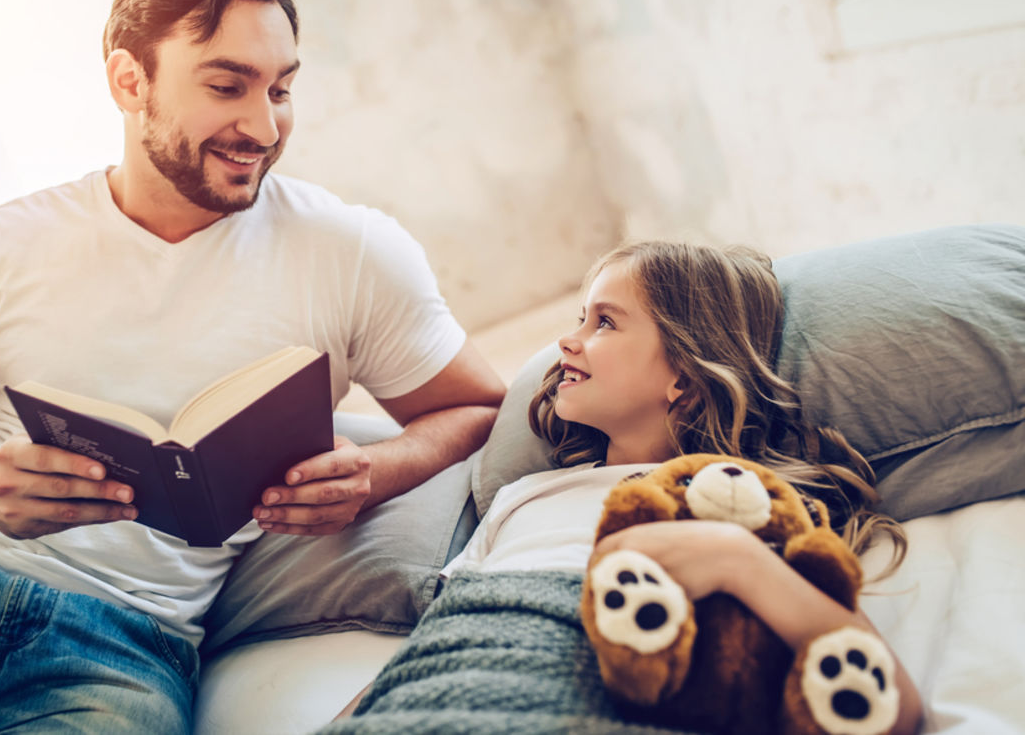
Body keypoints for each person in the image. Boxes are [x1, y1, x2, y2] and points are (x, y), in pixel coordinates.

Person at [0, 0, 505, 733]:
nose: (263, 126)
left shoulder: (352, 252)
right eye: (227, 85)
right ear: (131, 80)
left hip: (125, 647)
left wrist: (376, 469)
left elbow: (478, 406)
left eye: (283, 88)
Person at [324, 241, 922, 735]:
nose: (568, 341)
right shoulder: (526, 496)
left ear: (684, 378)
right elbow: (439, 636)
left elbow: (892, 710)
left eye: (604, 321)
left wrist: (735, 561)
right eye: (579, 317)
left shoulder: (737, 501)